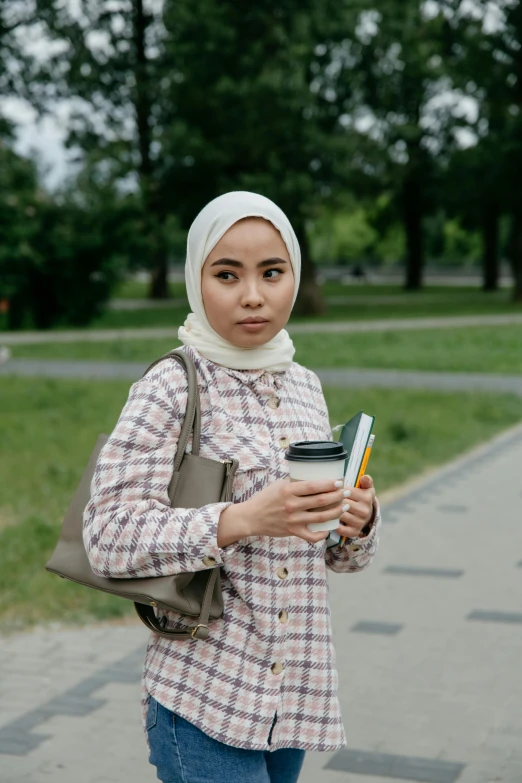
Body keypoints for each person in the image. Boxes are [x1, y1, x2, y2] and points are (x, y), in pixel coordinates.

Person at [83, 192, 381, 783]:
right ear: (198, 280)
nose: (252, 295)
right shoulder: (172, 385)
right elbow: (106, 535)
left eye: (272, 272)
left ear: (294, 274)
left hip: (292, 695)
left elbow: (337, 558)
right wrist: (241, 518)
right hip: (206, 695)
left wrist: (357, 520)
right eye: (227, 274)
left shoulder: (305, 386)